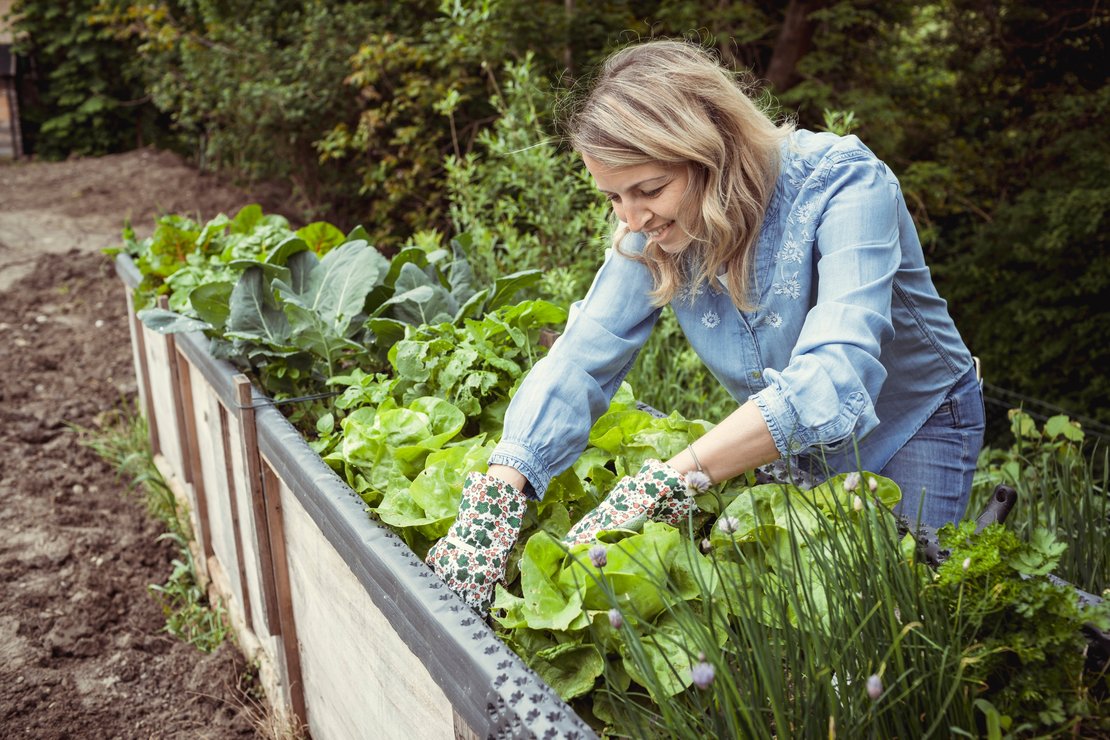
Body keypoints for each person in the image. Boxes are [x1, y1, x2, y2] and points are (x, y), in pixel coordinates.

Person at [426, 39, 985, 611]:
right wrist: (499, 490)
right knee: (803, 612)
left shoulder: (844, 184)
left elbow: (836, 371)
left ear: (714, 153)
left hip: (913, 423)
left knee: (892, 616)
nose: (633, 218)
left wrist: (671, 478)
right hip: (791, 436)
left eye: (649, 190)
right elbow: (581, 358)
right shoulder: (651, 228)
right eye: (614, 197)